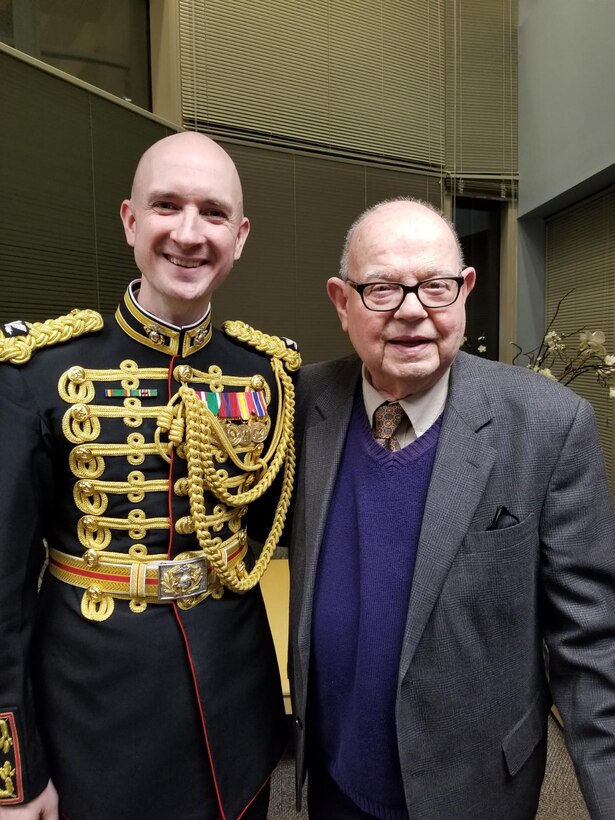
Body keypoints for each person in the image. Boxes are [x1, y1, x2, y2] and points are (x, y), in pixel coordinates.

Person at [0, 131, 300, 820]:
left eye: (213, 213)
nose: (189, 234)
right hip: (90, 714)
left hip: (235, 705)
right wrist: (14, 774)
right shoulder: (36, 371)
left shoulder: (268, 374)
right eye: (166, 206)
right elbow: (3, 592)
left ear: (241, 235)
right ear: (131, 221)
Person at [288, 198, 615, 819]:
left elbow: (594, 646)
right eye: (381, 288)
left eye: (435, 287)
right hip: (334, 781)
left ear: (464, 291)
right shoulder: (302, 406)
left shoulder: (546, 424)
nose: (413, 312)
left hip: (475, 789)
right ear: (341, 301)